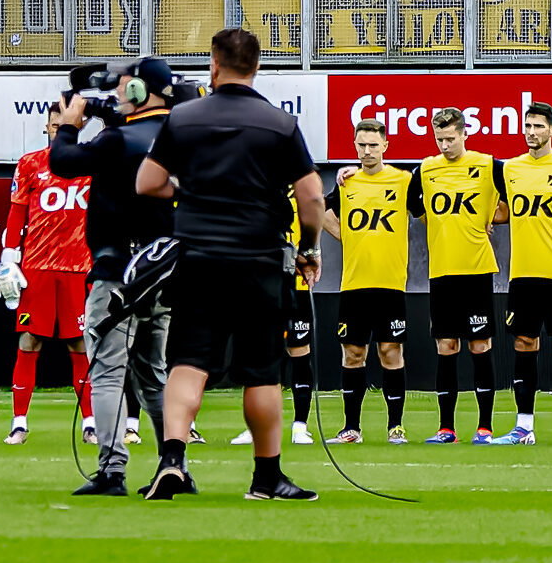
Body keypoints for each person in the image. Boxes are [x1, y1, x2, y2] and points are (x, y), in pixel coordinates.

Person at [132, 25, 325, 502]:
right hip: (259, 259)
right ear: (256, 68)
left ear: (213, 65)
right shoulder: (280, 124)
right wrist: (309, 248)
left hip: (197, 257)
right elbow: (311, 196)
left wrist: (190, 193)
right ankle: (266, 477)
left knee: (188, 361)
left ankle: (172, 460)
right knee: (261, 370)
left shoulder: (184, 118)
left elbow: (147, 184)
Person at [46, 58, 179, 493]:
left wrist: (68, 124)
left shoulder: (117, 140)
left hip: (117, 270)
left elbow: (64, 161)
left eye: (123, 88)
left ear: (140, 92)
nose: (117, 95)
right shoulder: (179, 134)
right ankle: (172, 464)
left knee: (106, 371)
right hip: (162, 270)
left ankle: (111, 469)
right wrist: (104, 111)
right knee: (155, 375)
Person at [0, 89, 97, 446]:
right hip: (37, 267)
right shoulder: (30, 164)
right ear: (47, 127)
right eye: (53, 126)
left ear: (77, 124)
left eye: (63, 125)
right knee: (30, 339)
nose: (57, 131)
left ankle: (90, 422)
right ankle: (19, 422)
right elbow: (16, 212)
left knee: (80, 345)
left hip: (79, 266)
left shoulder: (90, 164)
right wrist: (9, 258)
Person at [413, 108, 506, 444]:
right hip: (442, 272)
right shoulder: (426, 169)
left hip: (477, 269)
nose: (445, 145)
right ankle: (446, 427)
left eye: (451, 138)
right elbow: (413, 204)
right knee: (446, 346)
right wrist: (439, 228)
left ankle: (485, 427)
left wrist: (493, 218)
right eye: (440, 139)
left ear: (464, 134)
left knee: (480, 345)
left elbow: (519, 191)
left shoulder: (488, 165)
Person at [498, 100, 552, 446]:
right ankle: (524, 427)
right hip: (523, 275)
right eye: (528, 126)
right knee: (524, 342)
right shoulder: (509, 169)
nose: (532, 132)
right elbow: (503, 210)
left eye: (539, 126)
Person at [323, 118, 414, 445]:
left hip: (390, 284)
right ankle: (351, 428)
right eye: (361, 144)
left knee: (391, 352)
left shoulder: (403, 180)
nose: (367, 151)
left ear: (385, 146)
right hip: (354, 284)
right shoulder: (347, 183)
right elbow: (321, 210)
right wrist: (346, 236)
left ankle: (395, 427)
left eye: (373, 145)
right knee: (353, 354)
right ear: (355, 145)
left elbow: (425, 207)